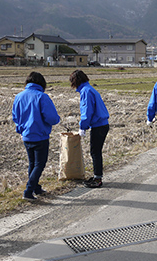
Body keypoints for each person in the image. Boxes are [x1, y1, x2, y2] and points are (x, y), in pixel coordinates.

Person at [12, 72, 60, 201]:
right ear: (41, 84)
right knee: (40, 164)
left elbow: (15, 117)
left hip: (26, 136)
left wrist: (21, 129)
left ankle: (36, 188)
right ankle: (28, 191)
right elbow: (51, 118)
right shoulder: (42, 97)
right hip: (40, 136)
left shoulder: (19, 96)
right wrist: (57, 119)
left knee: (32, 163)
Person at [69, 70, 110, 188]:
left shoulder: (85, 91)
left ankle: (98, 179)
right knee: (96, 151)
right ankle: (97, 175)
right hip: (102, 124)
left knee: (95, 152)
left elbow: (87, 111)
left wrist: (83, 127)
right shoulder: (89, 89)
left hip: (98, 125)